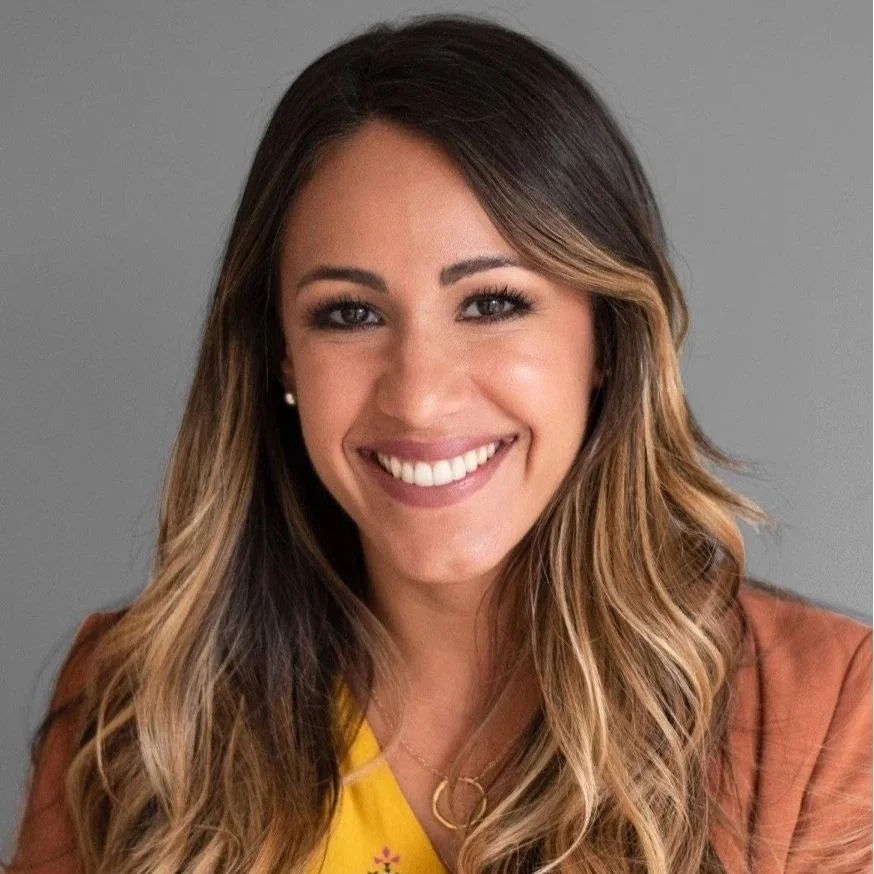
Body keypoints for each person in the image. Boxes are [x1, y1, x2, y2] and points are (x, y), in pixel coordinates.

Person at [6, 13, 871, 874]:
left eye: (492, 303)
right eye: (349, 314)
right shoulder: (132, 710)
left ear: (606, 338)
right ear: (281, 356)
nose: (419, 397)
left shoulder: (829, 713)